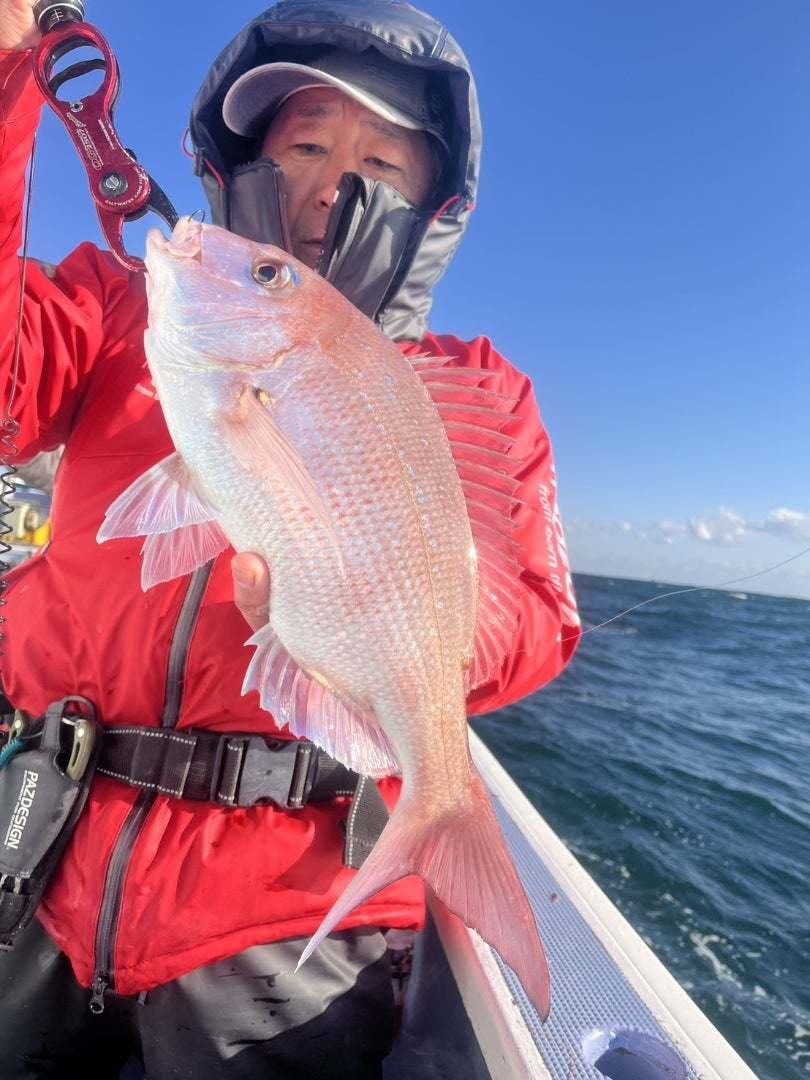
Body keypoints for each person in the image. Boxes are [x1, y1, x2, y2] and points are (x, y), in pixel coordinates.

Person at [0, 0, 581, 1076]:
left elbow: (541, 619)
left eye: (379, 163)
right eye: (305, 145)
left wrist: (376, 616)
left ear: (431, 208)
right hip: (38, 846)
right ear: (244, 165)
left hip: (290, 916)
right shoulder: (121, 313)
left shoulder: (479, 393)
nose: (328, 184)